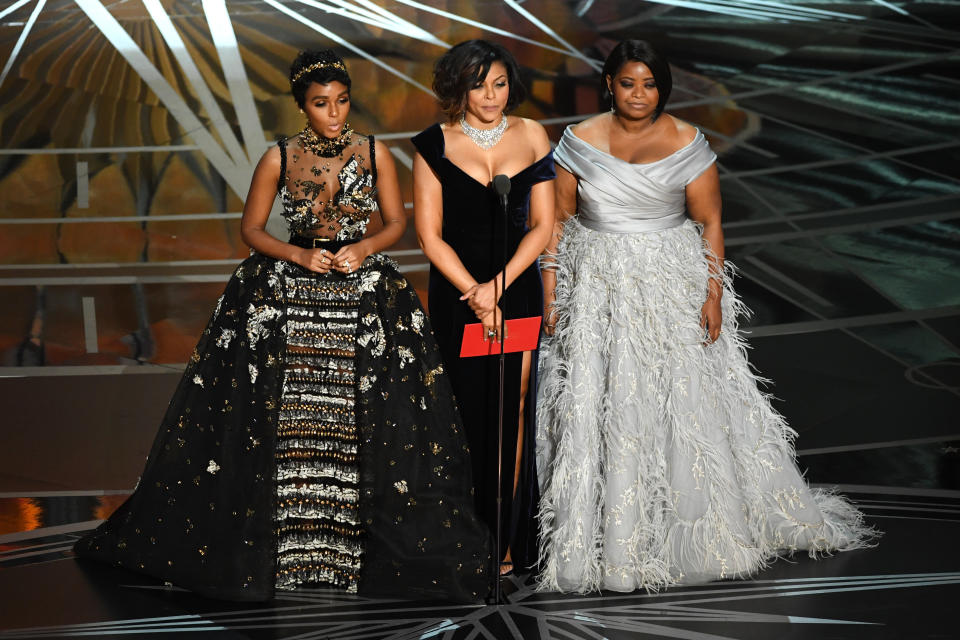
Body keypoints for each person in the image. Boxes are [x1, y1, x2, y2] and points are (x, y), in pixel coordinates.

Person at [74, 49, 490, 603]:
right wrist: (297, 258)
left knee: (360, 418)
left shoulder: (374, 153)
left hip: (362, 290)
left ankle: (348, 551)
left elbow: (396, 224)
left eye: (342, 101)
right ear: (302, 106)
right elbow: (251, 229)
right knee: (287, 418)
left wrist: (363, 248)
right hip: (290, 289)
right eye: (321, 104)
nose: (335, 113)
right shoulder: (278, 157)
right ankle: (291, 550)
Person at [536, 40, 877, 593]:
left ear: (663, 88)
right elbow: (558, 223)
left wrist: (713, 294)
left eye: (649, 84)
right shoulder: (578, 141)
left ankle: (692, 532)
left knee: (681, 399)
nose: (638, 94)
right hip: (598, 286)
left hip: (671, 283)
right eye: (627, 83)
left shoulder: (689, 142)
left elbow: (710, 223)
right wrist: (552, 291)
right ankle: (613, 539)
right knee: (607, 400)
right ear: (609, 85)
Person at [412, 40, 555, 576]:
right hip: (459, 294)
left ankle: (509, 535)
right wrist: (475, 292)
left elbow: (542, 226)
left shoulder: (533, 134)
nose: (491, 96)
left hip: (514, 288)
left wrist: (498, 287)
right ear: (457, 88)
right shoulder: (432, 146)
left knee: (513, 406)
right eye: (478, 85)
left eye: (499, 83)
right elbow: (430, 236)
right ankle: (469, 532)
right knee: (470, 410)